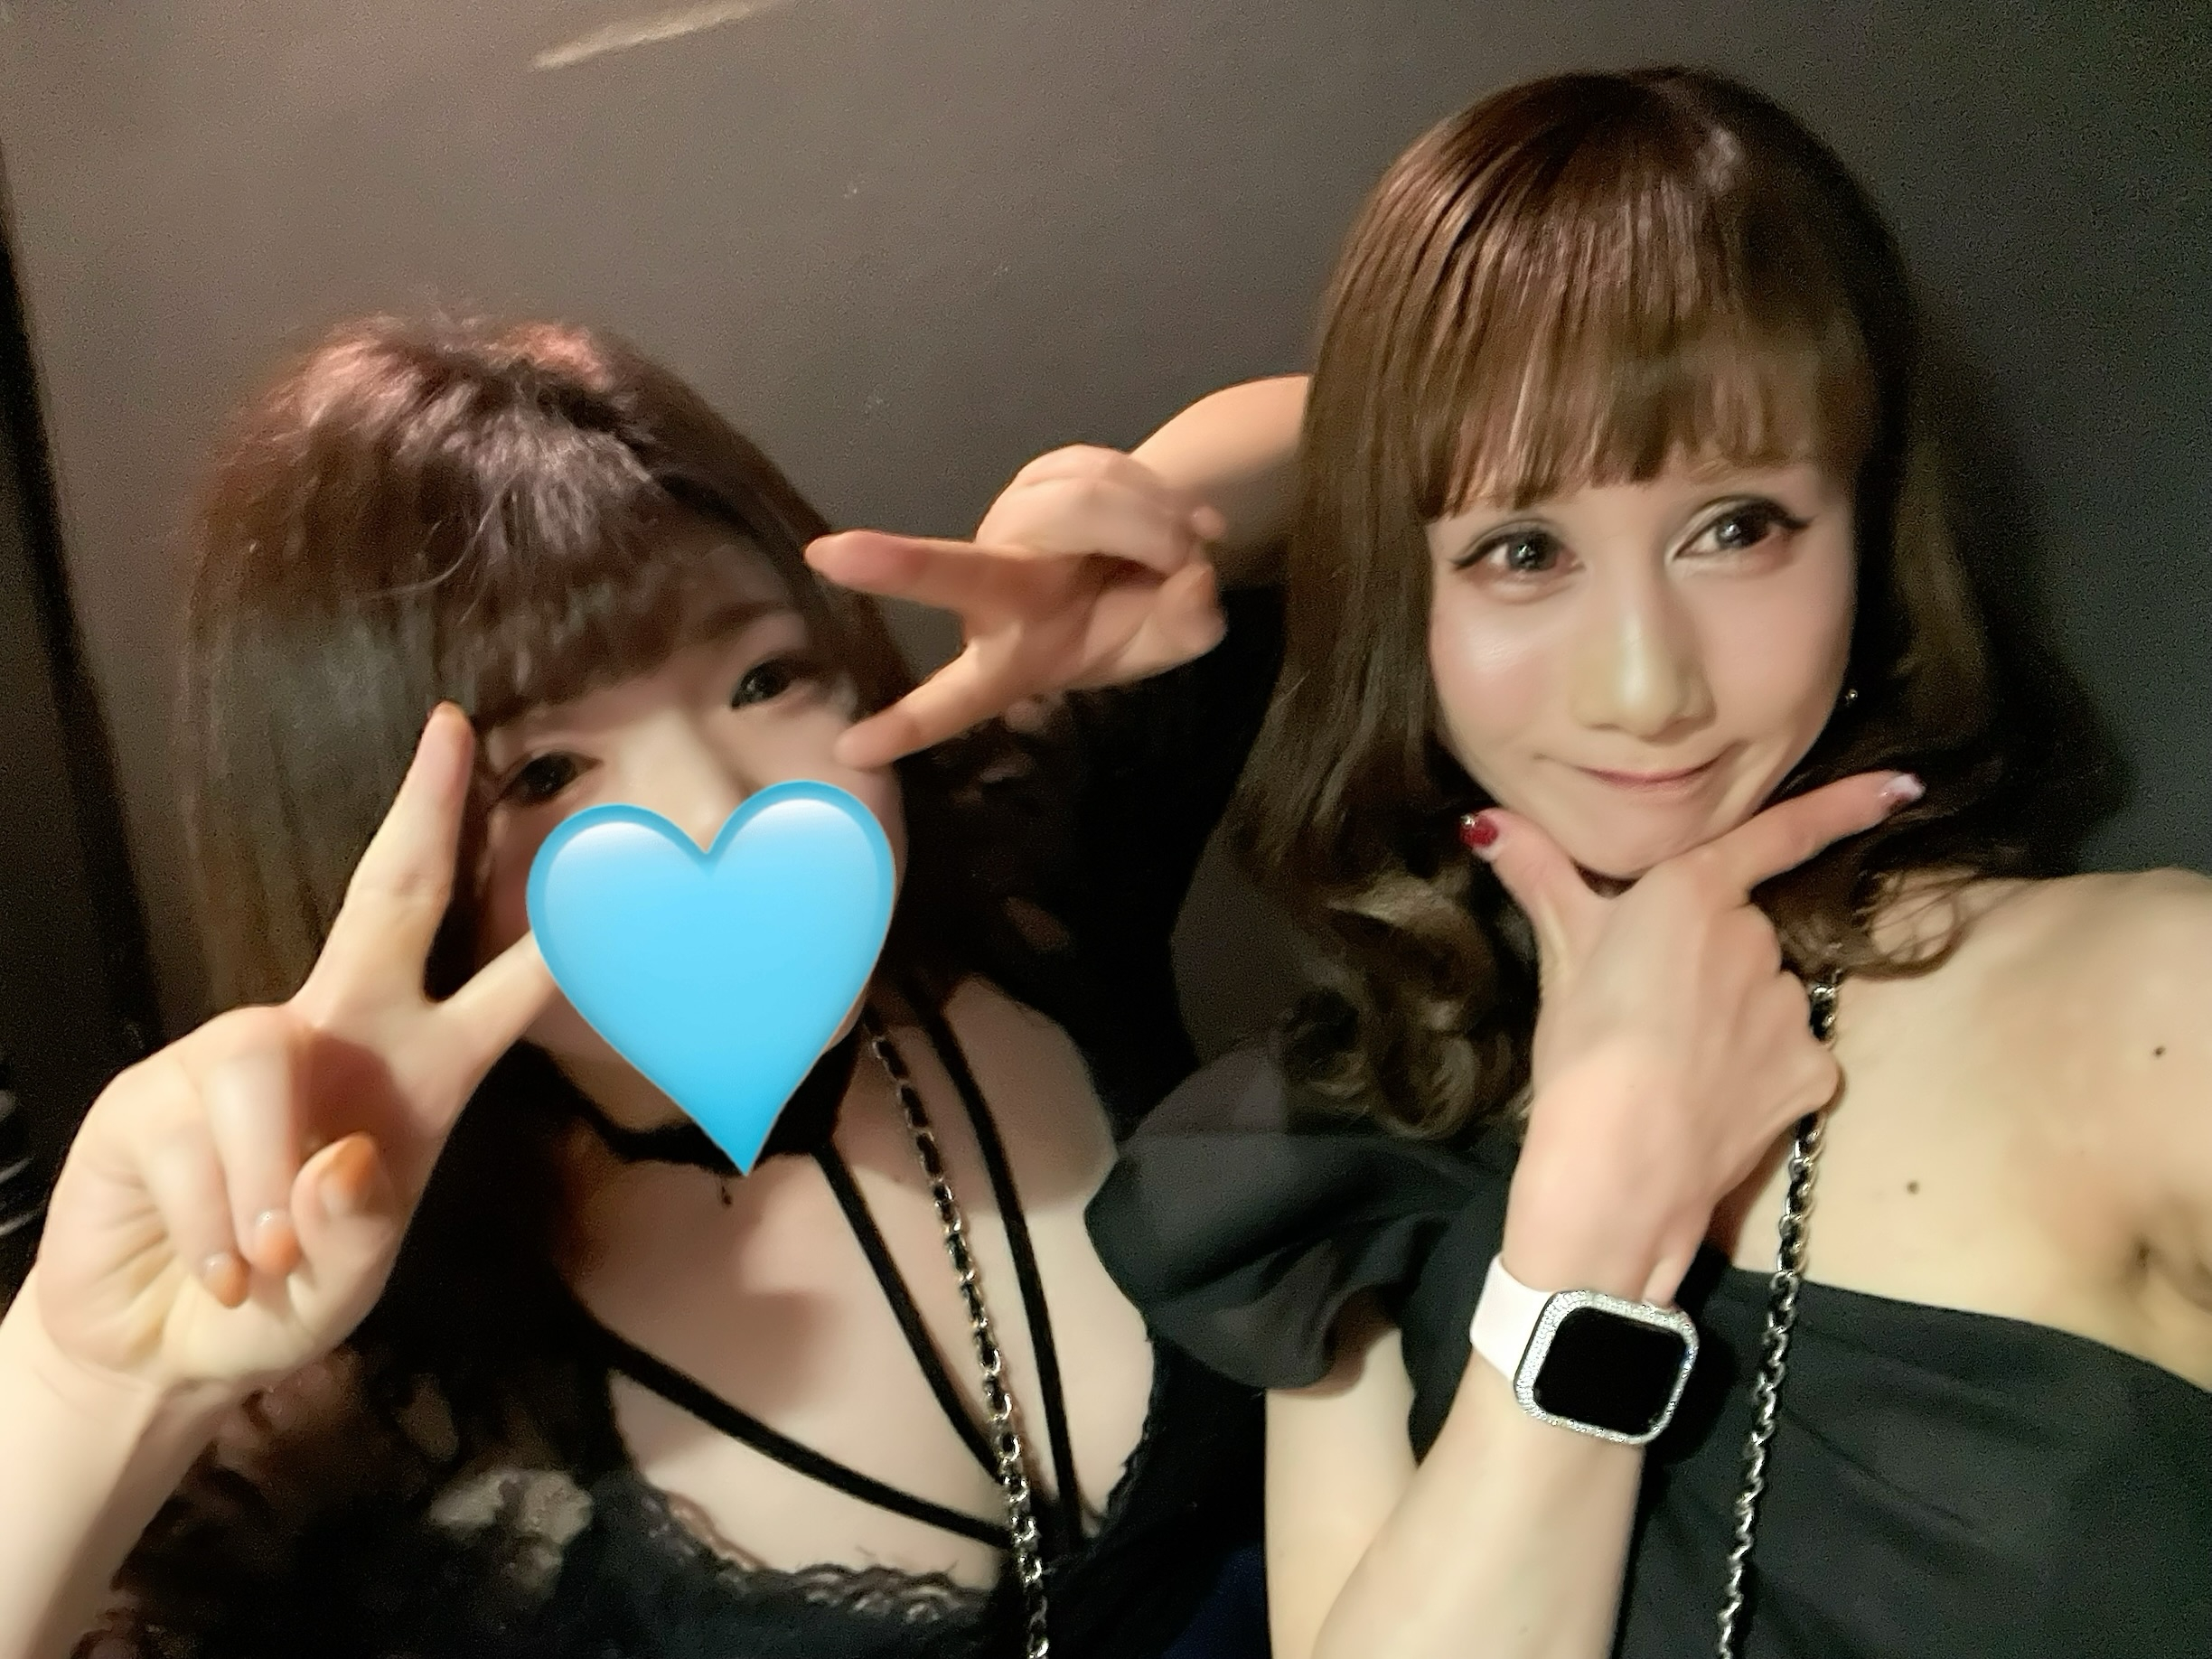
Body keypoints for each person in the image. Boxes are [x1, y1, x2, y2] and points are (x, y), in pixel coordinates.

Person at [846, 67, 2212, 1659]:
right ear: (1406, 598)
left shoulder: (2145, 1012)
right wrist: (1590, 1238)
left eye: (1739, 527)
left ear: (1867, 524)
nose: (1645, 686)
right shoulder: (1368, 1133)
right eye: (1522, 552)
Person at [0, 315, 1305, 1659]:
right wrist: (81, 1380)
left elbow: (1362, 441)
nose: (712, 807)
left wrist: (1146, 506)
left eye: (764, 678)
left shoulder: (1017, 880)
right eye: (545, 773)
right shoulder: (383, 1383)